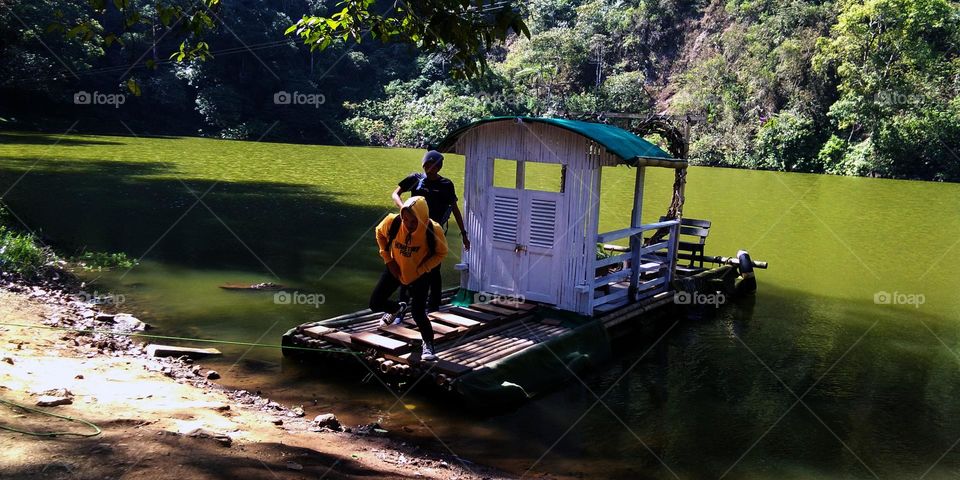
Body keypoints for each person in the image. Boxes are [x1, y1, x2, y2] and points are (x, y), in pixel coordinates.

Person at [369, 196, 448, 361]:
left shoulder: (433, 230)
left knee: (418, 313)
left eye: (413, 221)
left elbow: (442, 252)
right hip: (395, 269)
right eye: (405, 219)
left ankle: (428, 345)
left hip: (419, 274)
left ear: (422, 218)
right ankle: (396, 308)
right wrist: (388, 259)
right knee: (375, 303)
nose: (408, 224)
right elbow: (379, 233)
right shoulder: (393, 222)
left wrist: (424, 269)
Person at [391, 150, 469, 314]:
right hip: (413, 229)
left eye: (433, 166)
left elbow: (455, 209)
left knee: (434, 268)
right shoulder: (415, 179)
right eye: (426, 165)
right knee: (408, 264)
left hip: (434, 231)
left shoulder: (446, 185)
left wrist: (464, 234)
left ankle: (434, 306)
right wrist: (404, 210)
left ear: (439, 167)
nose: (429, 168)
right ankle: (403, 304)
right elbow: (395, 193)